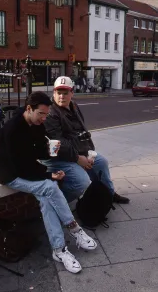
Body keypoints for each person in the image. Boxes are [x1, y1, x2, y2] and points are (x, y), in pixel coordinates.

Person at [0, 91, 97, 274]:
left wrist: (51, 151)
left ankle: (59, 250)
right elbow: (21, 167)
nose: (44, 118)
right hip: (13, 175)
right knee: (49, 187)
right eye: (41, 113)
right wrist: (49, 176)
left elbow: (39, 154)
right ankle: (74, 229)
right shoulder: (12, 130)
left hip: (29, 170)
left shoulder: (36, 124)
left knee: (46, 200)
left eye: (46, 114)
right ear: (29, 109)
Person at [43, 77, 130, 205]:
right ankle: (55, 205)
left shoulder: (73, 106)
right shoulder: (51, 113)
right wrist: (78, 158)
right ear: (54, 93)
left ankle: (108, 194)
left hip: (79, 150)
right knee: (81, 182)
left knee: (101, 162)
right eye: (58, 92)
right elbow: (59, 142)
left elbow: (82, 130)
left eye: (65, 93)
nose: (61, 96)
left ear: (72, 93)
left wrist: (89, 151)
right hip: (61, 157)